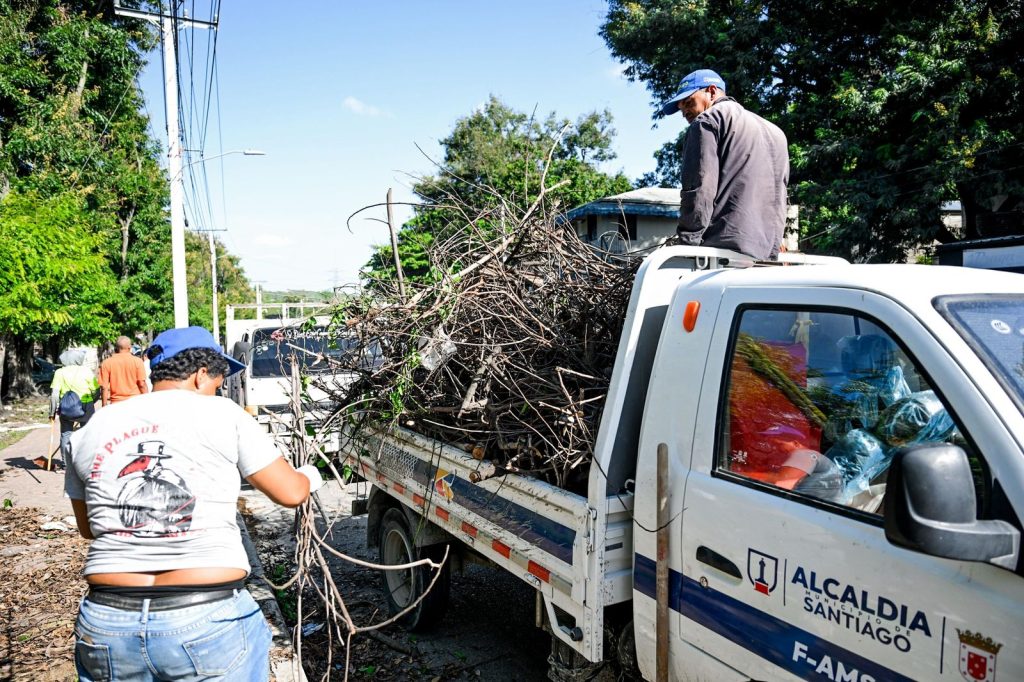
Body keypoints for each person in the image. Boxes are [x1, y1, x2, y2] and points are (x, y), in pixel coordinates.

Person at [65, 326, 324, 682]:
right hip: (205, 618)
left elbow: (88, 527)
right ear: (202, 373)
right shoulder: (224, 414)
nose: (219, 388)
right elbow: (291, 492)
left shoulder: (90, 429)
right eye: (219, 380)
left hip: (108, 624)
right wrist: (310, 474)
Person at [659, 69, 790, 260]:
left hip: (723, 255)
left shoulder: (707, 121)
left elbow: (699, 191)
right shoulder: (775, 132)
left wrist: (687, 247)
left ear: (711, 92)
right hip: (768, 255)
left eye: (688, 103)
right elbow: (781, 197)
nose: (684, 112)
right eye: (680, 108)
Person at [48, 348, 100, 467]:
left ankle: (66, 463)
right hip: (86, 407)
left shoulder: (59, 373)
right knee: (87, 434)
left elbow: (54, 395)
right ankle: (86, 462)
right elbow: (96, 390)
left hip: (66, 408)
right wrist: (93, 401)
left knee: (66, 434)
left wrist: (52, 412)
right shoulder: (86, 372)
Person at [99, 335, 149, 406]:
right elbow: (142, 384)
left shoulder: (106, 363)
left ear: (116, 347)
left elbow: (104, 387)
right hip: (135, 402)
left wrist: (104, 405)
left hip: (116, 404)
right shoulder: (138, 361)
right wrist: (147, 401)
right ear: (129, 347)